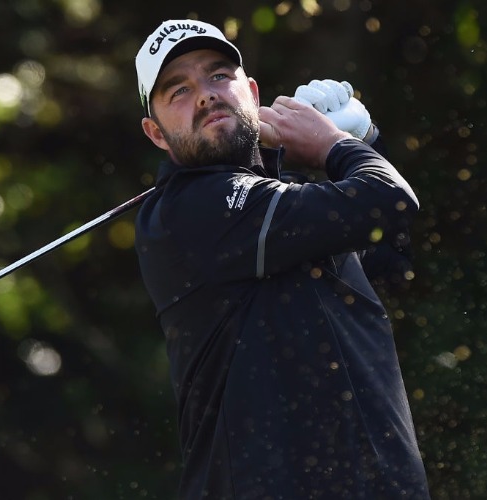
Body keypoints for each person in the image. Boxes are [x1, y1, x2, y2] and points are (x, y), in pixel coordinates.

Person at [133, 19, 430, 499]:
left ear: (251, 92)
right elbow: (389, 200)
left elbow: (388, 258)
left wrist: (366, 138)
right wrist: (335, 145)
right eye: (178, 91)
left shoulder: (286, 201)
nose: (206, 95)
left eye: (217, 76)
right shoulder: (192, 207)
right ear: (157, 134)